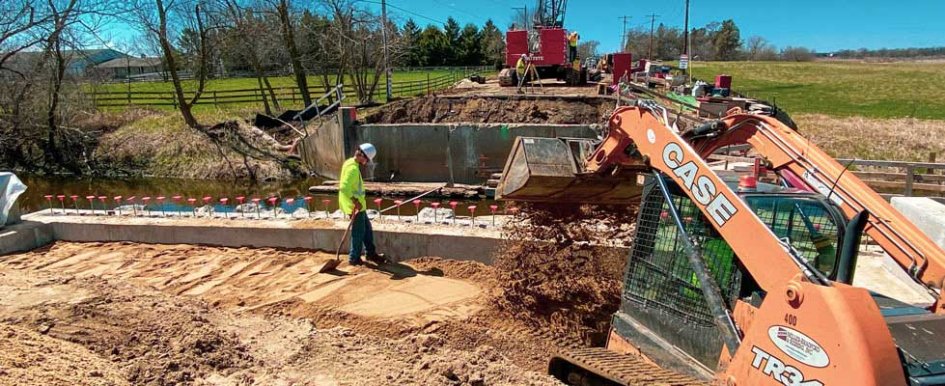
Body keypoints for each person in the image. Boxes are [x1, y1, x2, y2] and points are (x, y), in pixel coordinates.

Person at [339, 143, 385, 266]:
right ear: (362, 155)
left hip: (359, 206)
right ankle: (354, 259)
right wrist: (355, 201)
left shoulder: (349, 162)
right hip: (354, 207)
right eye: (367, 159)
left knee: (367, 230)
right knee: (358, 233)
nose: (366, 162)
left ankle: (370, 253)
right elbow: (344, 188)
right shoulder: (353, 169)